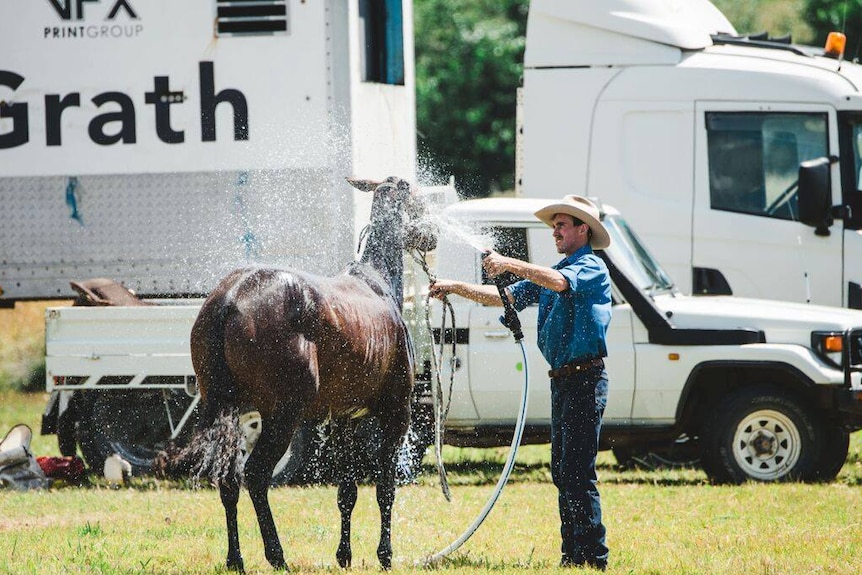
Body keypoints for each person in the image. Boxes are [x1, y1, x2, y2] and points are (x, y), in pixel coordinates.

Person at [429, 195, 612, 570]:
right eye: (555, 225)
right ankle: (572, 555)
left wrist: (508, 262)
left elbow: (559, 283)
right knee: (563, 471)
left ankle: (593, 558)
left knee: (577, 472)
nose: (556, 231)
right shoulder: (553, 270)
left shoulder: (590, 267)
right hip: (564, 382)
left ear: (583, 230)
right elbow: (505, 297)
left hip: (585, 381)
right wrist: (455, 286)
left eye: (562, 224)